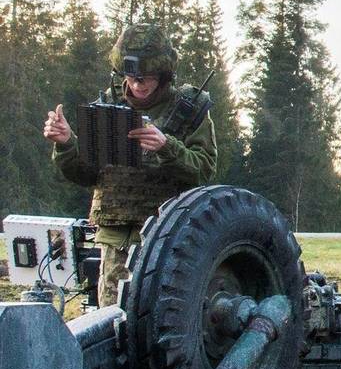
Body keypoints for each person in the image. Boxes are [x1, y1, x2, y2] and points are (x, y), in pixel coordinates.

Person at [43, 23, 217, 307]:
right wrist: (66, 143)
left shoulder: (189, 109)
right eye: (132, 76)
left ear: (163, 74)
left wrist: (167, 147)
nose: (138, 83)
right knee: (113, 322)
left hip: (169, 235)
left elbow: (204, 169)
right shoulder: (107, 107)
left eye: (146, 77)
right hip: (118, 238)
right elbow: (86, 174)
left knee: (166, 318)